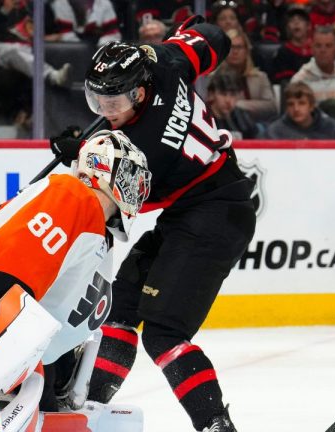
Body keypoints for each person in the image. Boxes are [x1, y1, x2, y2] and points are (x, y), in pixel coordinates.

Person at [52, 16, 257, 431]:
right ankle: (88, 406)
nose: (105, 113)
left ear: (140, 92)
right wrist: (187, 31)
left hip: (217, 212)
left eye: (114, 105)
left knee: (165, 333)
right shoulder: (164, 61)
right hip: (195, 207)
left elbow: (126, 202)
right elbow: (214, 40)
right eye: (98, 103)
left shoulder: (146, 145)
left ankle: (216, 425)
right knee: (120, 307)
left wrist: (84, 153)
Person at [0, 130, 151, 429]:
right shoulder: (73, 197)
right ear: (108, 169)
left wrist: (57, 380)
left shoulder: (98, 236)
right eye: (132, 175)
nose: (139, 189)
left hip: (2, 339)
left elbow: (48, 315)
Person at [213, 28, 278, 123]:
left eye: (239, 47)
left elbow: (271, 106)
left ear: (247, 51)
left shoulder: (260, 77)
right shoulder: (213, 77)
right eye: (231, 47)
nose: (235, 52)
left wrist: (238, 105)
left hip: (256, 125)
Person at [290, 25, 335, 117]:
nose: (323, 50)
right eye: (318, 46)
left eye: (328, 46)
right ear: (312, 48)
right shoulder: (300, 81)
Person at [264, 81, 335, 139]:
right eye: (291, 104)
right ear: (286, 108)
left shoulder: (332, 127)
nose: (296, 109)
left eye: (301, 103)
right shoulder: (275, 132)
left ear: (311, 106)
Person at [207, 71, 260, 139]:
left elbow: (255, 144)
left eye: (233, 95)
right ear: (211, 94)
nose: (228, 100)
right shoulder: (204, 118)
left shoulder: (243, 117)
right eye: (223, 94)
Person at [270, 6, 312, 84]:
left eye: (300, 19)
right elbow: (283, 82)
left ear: (308, 26)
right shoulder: (283, 53)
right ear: (287, 27)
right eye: (292, 20)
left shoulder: (317, 50)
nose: (296, 23)